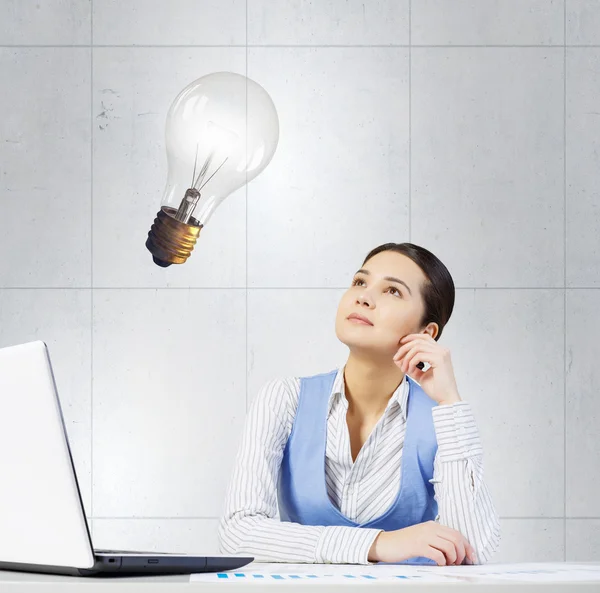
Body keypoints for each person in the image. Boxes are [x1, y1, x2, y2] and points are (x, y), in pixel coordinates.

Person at [219, 242, 501, 565]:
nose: (363, 297)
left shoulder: (439, 418)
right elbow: (237, 533)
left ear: (427, 332)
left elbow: (471, 551)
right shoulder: (284, 399)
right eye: (360, 282)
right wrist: (379, 544)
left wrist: (450, 403)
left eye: (392, 291)